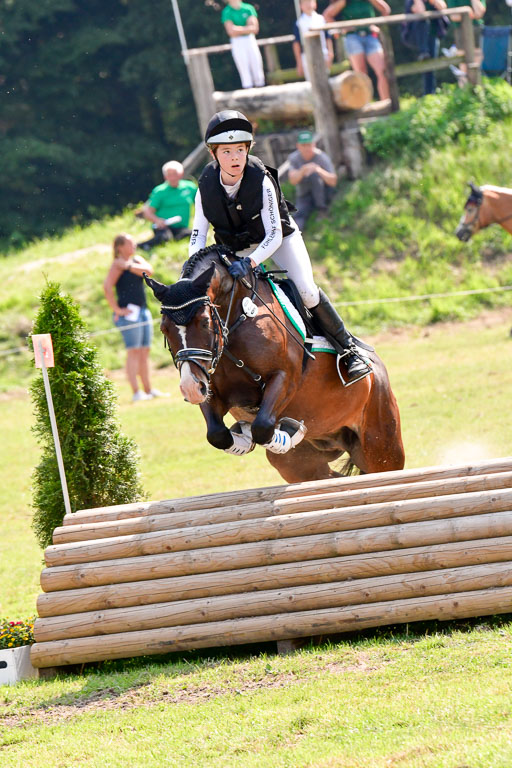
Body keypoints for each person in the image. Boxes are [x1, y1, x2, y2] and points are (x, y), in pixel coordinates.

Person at [189, 110, 369, 385]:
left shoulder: (260, 178)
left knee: (306, 289)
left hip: (279, 239)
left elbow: (273, 235)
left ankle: (349, 350)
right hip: (234, 248)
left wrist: (249, 263)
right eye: (227, 152)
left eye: (240, 149)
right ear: (213, 154)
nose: (235, 157)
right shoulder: (206, 186)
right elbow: (198, 236)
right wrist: (193, 274)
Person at [103, 234, 168, 402]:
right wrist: (117, 309)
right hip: (129, 314)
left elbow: (149, 271)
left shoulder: (135, 260)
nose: (134, 246)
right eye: (130, 244)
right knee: (133, 351)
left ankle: (148, 389)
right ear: (120, 247)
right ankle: (136, 392)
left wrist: (129, 265)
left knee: (144, 351)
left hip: (143, 311)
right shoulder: (116, 265)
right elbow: (107, 287)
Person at [323, 0, 391, 101]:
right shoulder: (344, 1)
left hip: (370, 36)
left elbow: (385, 9)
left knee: (382, 70)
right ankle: (366, 106)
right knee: (361, 73)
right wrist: (341, 29)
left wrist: (378, 26)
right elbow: (327, 15)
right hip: (352, 37)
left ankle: (387, 103)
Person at [138, 161, 197, 252]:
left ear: (181, 174)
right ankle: (142, 246)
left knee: (192, 235)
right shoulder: (160, 191)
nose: (172, 177)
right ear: (165, 176)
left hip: (181, 226)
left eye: (175, 174)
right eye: (169, 175)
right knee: (164, 237)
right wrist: (157, 220)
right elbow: (148, 212)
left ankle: (173, 241)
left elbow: (200, 204)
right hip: (163, 226)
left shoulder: (190, 187)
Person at [287, 129, 338, 231]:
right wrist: (303, 170)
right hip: (304, 195)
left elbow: (333, 181)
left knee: (314, 175)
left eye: (309, 145)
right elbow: (293, 181)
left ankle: (322, 209)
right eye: (304, 145)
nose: (307, 148)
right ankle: (296, 235)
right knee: (298, 215)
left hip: (323, 192)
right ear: (298, 146)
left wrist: (318, 170)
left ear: (314, 144)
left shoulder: (322, 157)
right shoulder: (293, 158)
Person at [221, 0, 265, 89]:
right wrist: (246, 28)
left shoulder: (248, 8)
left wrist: (238, 29)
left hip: (250, 39)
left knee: (256, 65)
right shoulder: (227, 11)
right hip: (237, 42)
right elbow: (231, 31)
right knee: (243, 68)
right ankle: (248, 92)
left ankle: (261, 88)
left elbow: (255, 28)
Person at [410, 0, 447, 94]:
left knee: (431, 67)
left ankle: (430, 94)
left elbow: (443, 6)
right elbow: (421, 11)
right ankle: (426, 94)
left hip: (433, 35)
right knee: (425, 67)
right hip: (418, 39)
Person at [293, 0, 334, 80]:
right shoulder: (299, 23)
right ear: (300, 6)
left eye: (310, 1)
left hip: (323, 54)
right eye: (305, 2)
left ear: (315, 3)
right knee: (311, 80)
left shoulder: (321, 19)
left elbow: (327, 38)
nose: (308, 5)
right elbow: (296, 43)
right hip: (307, 56)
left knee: (324, 78)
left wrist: (330, 53)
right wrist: (299, 62)